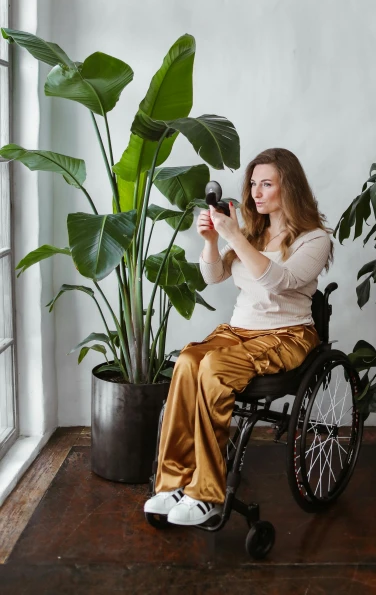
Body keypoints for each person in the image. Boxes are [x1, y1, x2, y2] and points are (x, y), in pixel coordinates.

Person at [144, 148, 333, 526]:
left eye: (267, 184)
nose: (256, 192)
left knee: (214, 369)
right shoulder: (254, 232)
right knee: (186, 361)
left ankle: (207, 495)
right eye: (253, 184)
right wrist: (213, 241)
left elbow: (278, 282)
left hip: (287, 334)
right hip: (239, 331)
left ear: (289, 187)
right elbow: (214, 276)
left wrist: (235, 236)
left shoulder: (314, 239)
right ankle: (174, 482)